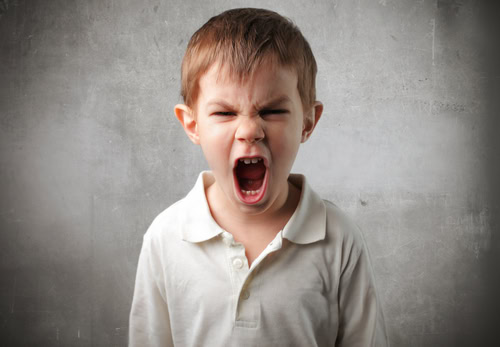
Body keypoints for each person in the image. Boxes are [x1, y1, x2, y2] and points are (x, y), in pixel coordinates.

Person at [129, 7, 388, 347]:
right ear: (192, 125)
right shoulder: (166, 237)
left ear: (308, 122)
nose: (250, 130)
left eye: (272, 111)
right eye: (224, 112)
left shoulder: (339, 239)